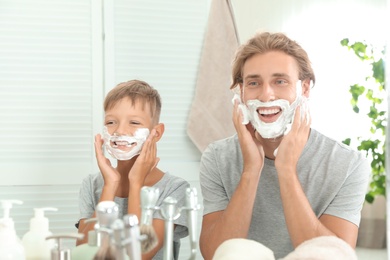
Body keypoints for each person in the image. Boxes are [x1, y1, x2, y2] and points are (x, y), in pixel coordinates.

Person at [199, 32, 370, 259]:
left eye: (280, 81)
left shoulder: (348, 164)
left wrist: (286, 169)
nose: (266, 95)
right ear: (241, 92)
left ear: (305, 89)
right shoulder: (218, 158)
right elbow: (214, 254)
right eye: (253, 83)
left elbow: (334, 256)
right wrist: (251, 170)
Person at [76, 80, 190, 259]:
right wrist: (109, 186)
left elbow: (138, 254)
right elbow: (83, 254)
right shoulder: (92, 185)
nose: (120, 130)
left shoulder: (173, 189)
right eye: (111, 122)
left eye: (134, 122)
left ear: (157, 133)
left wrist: (136, 183)